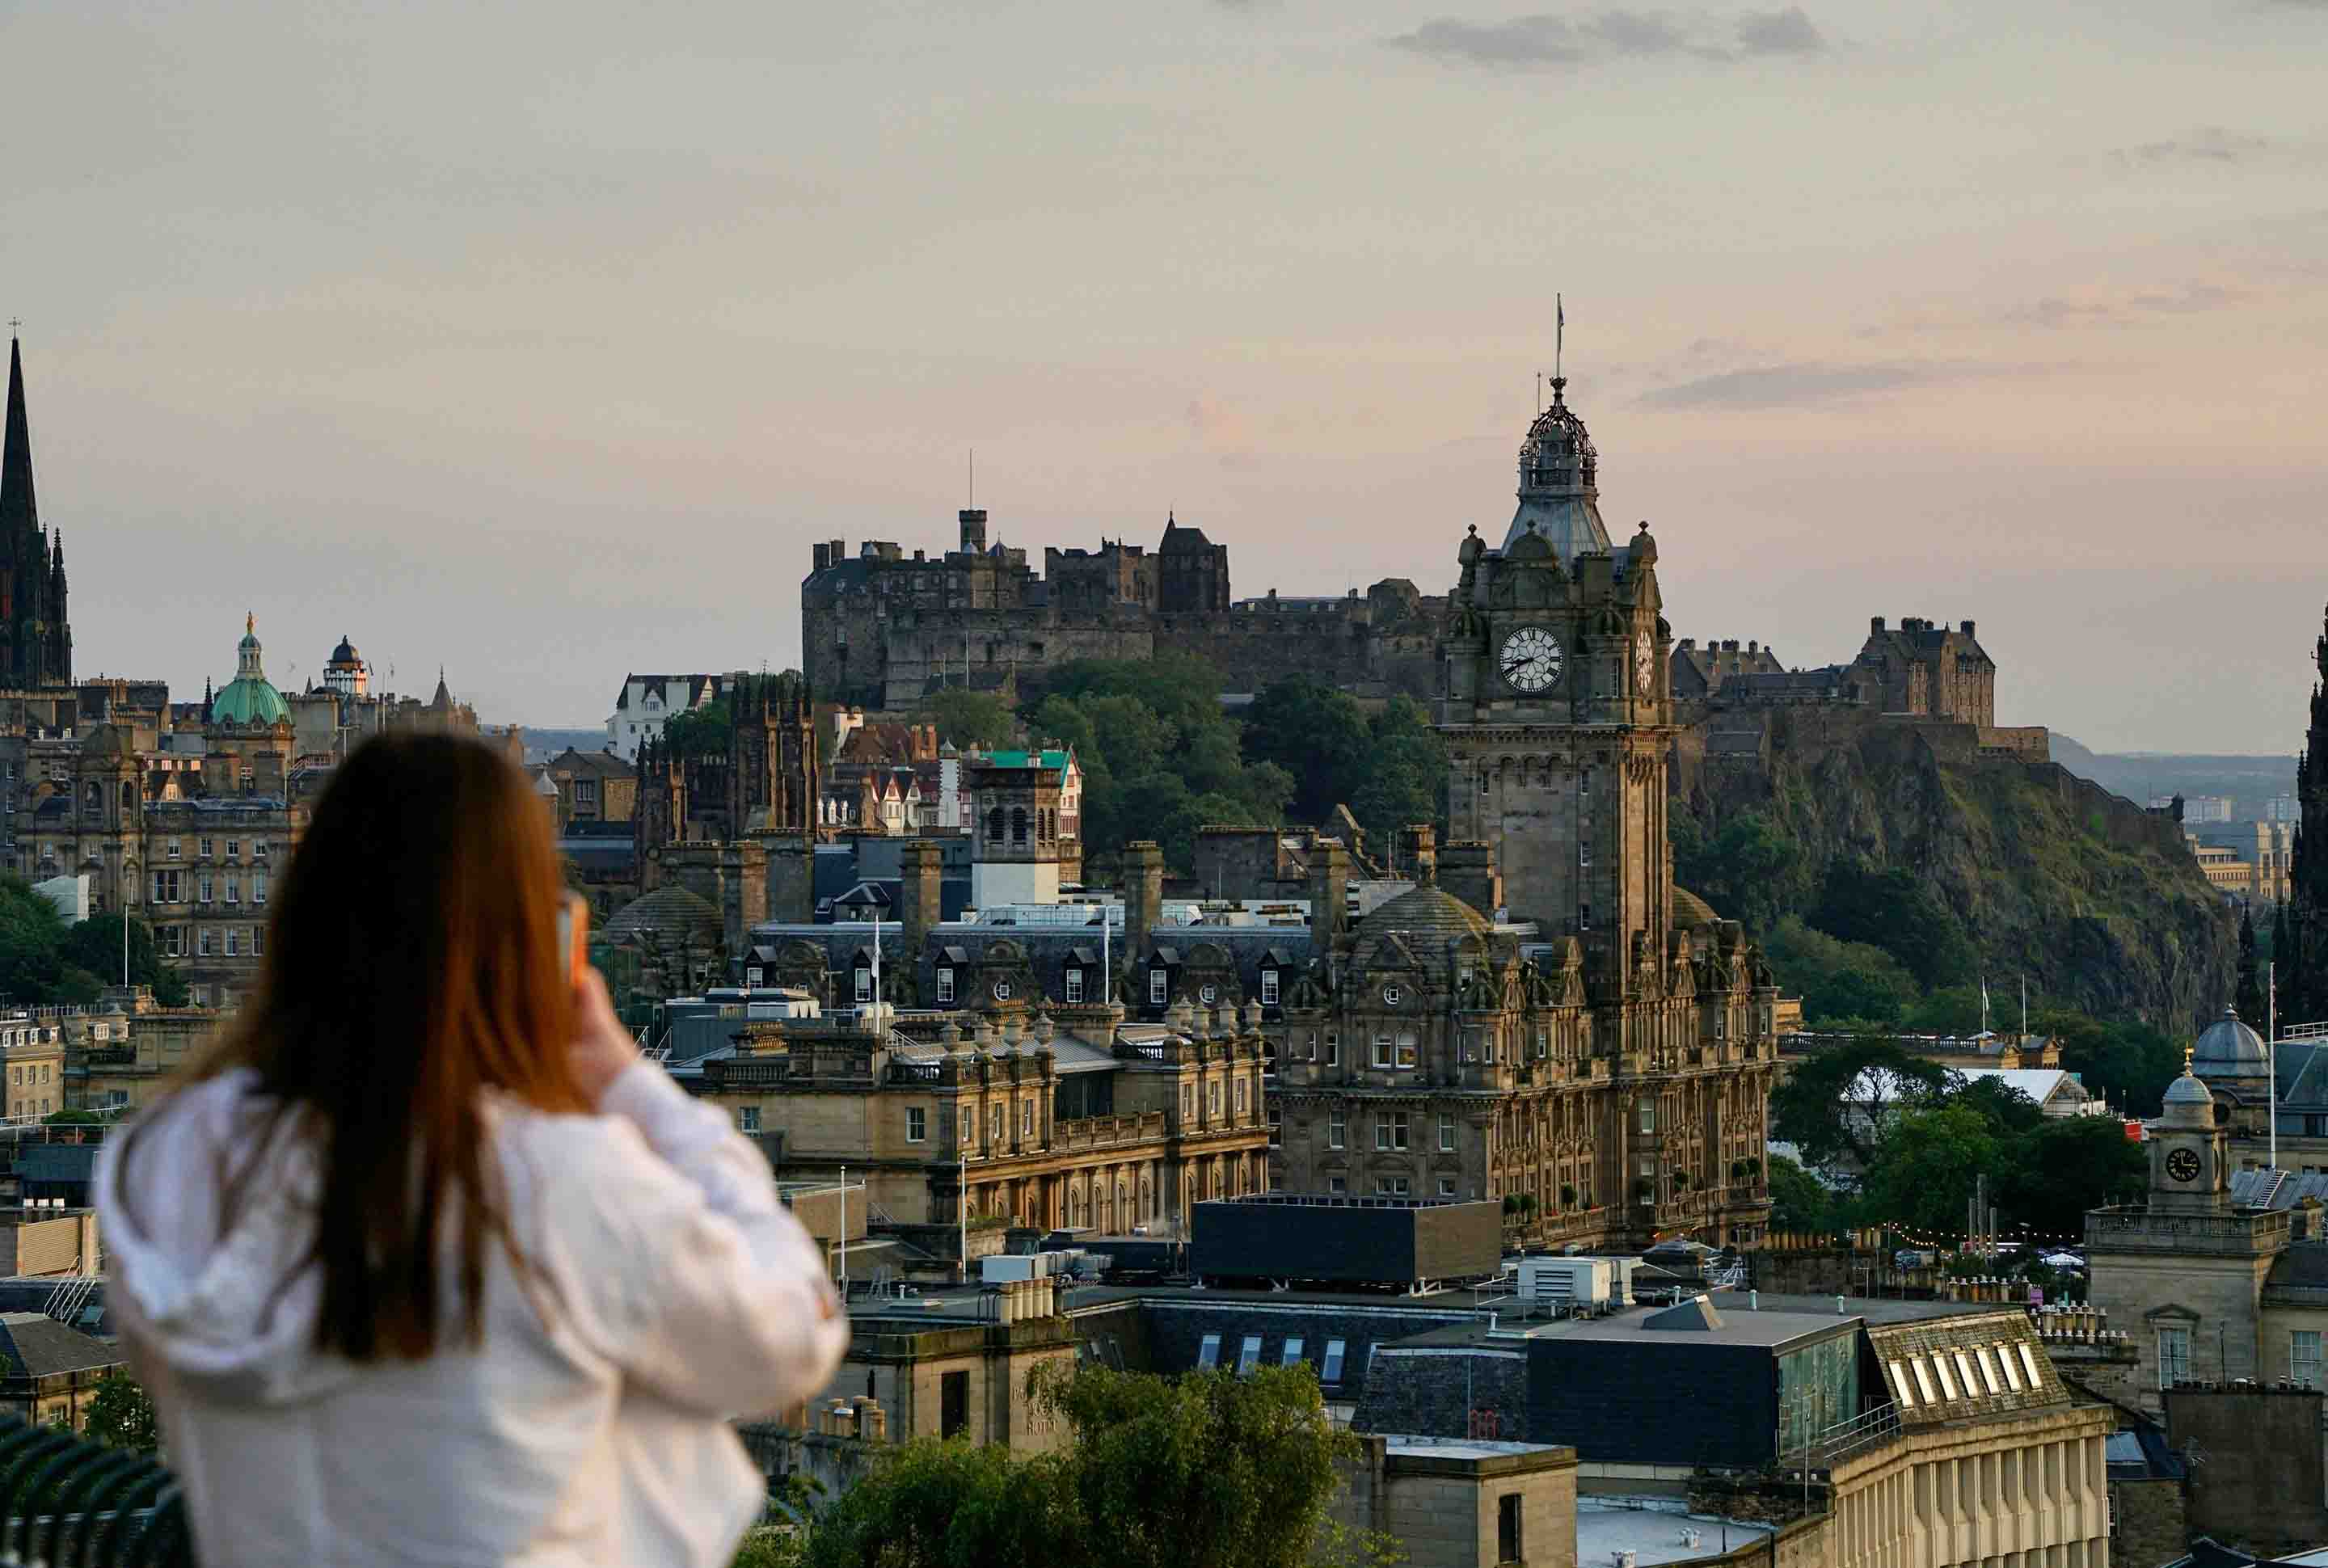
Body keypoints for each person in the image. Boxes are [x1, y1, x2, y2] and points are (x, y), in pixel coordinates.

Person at [95, 734, 847, 1567]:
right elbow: (793, 1335)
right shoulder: (557, 1181)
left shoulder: (164, 1159)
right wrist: (628, 1080)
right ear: (530, 937)